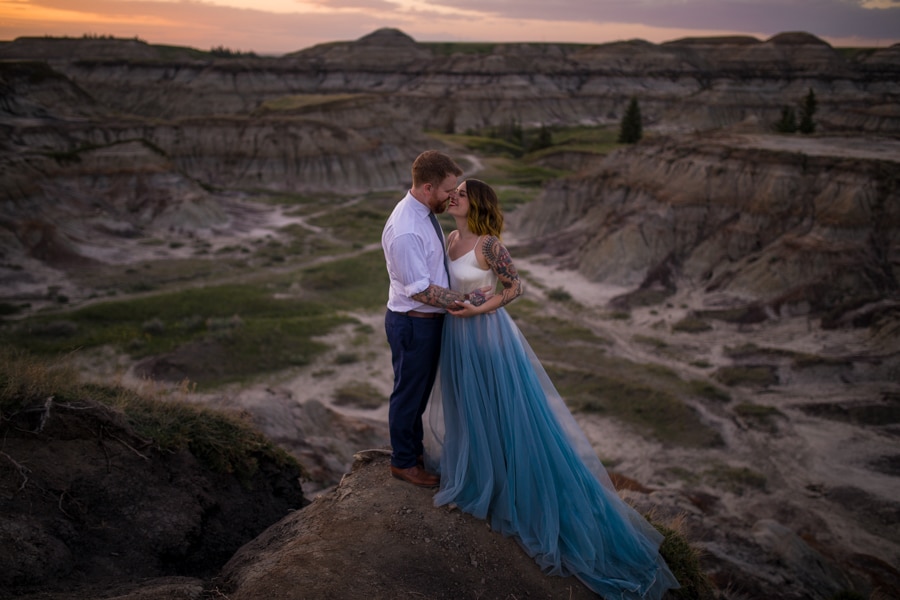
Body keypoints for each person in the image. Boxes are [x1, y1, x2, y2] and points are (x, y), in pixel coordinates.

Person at [426, 179, 680, 599]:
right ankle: (480, 477)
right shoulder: (451, 236)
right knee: (470, 408)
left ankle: (516, 492)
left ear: (478, 203)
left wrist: (478, 308)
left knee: (505, 411)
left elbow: (514, 287)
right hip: (457, 339)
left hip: (487, 335)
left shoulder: (489, 245)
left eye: (462, 193)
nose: (453, 196)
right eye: (452, 192)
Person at [381, 151, 490, 488]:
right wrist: (466, 299)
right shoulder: (406, 230)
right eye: (447, 190)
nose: (452, 195)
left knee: (418, 392)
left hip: (426, 321)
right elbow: (420, 290)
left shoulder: (423, 211)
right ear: (428, 187)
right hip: (415, 323)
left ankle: (410, 453)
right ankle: (403, 462)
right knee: (409, 394)